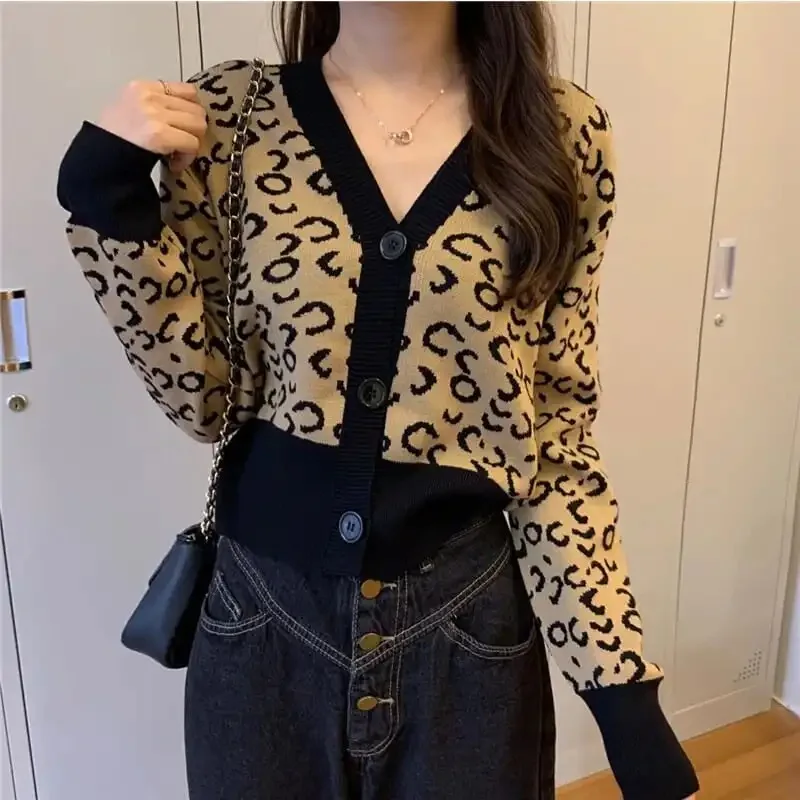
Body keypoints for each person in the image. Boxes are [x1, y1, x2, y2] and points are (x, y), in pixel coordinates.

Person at [57, 2, 699, 798]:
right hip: (263, 629)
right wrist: (108, 203)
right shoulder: (233, 116)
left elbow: (554, 436)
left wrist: (620, 689)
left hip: (466, 636)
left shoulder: (563, 133)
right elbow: (204, 399)